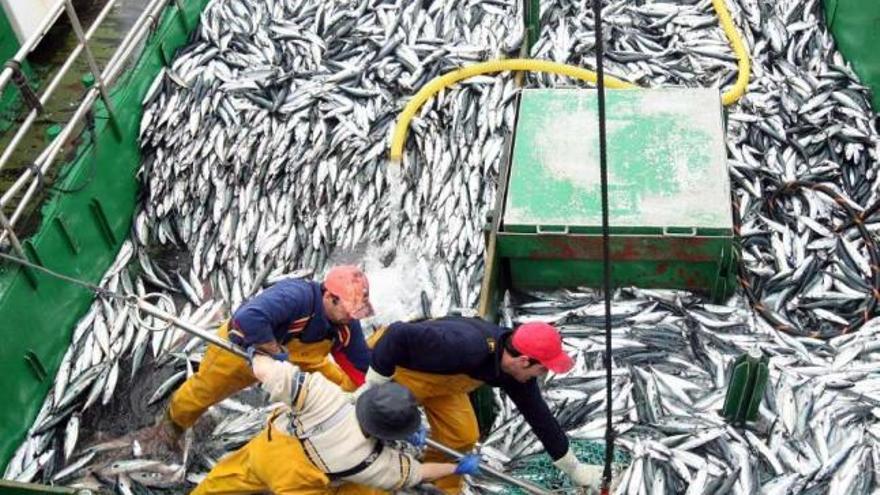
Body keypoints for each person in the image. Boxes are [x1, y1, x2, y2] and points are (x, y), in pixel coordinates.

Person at [359, 317, 604, 494]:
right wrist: (372, 387)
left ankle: (434, 483)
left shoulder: (516, 372)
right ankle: (367, 482)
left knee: (462, 434)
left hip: (442, 383)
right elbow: (397, 335)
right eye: (542, 369)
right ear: (524, 360)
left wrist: (573, 468)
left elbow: (541, 419)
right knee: (365, 435)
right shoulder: (466, 346)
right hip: (393, 365)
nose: (541, 375)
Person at [191, 353, 482, 494]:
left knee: (222, 481)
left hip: (265, 452)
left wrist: (260, 356)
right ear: (391, 434)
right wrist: (456, 467)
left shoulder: (325, 395)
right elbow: (417, 472)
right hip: (297, 485)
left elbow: (268, 371)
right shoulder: (372, 462)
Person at [158, 265, 374, 448]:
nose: (352, 317)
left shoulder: (346, 324)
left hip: (299, 357)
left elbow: (361, 366)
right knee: (203, 392)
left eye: (356, 311)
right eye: (349, 310)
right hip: (242, 349)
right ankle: (170, 427)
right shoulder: (295, 296)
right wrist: (274, 352)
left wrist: (378, 396)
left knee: (345, 390)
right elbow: (247, 318)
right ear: (329, 296)